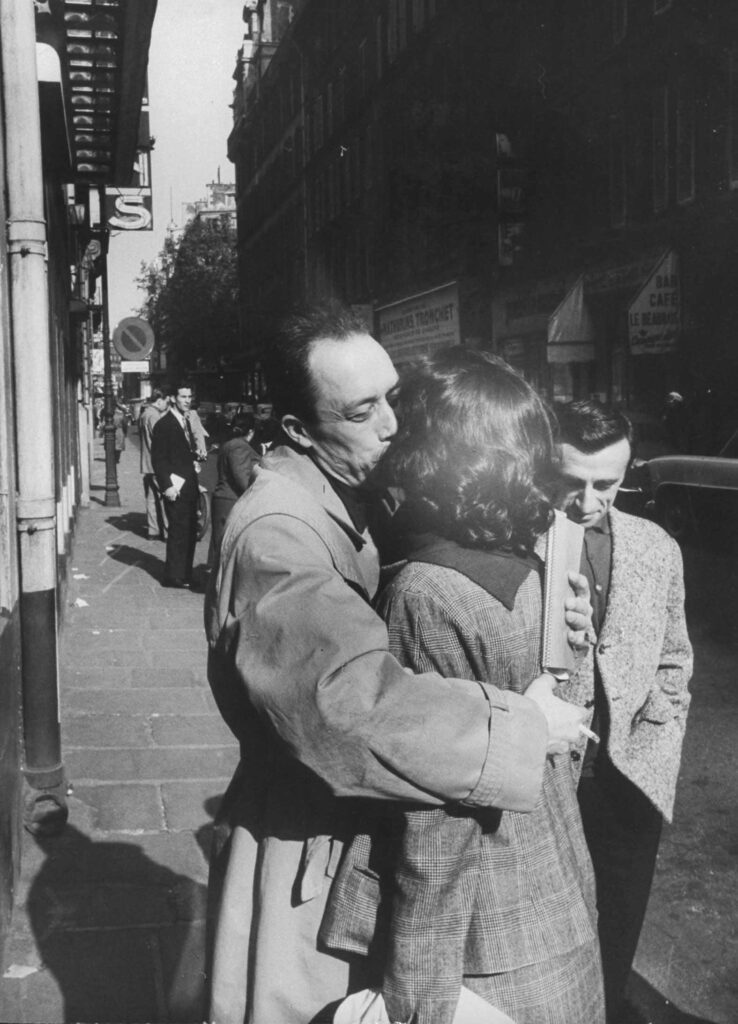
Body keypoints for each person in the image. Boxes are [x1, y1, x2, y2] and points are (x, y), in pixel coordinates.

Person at [204, 304, 593, 1024]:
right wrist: (519, 724)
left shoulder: (346, 496)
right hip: (307, 848)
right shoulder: (280, 533)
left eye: (394, 398)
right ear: (297, 429)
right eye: (361, 411)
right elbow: (348, 708)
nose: (392, 424)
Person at [321, 350, 602, 1024]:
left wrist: (417, 998)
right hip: (556, 914)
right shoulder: (533, 566)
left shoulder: (425, 591)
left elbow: (436, 826)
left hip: (482, 958)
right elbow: (570, 741)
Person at [553, 399, 693, 1023]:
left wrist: (657, 735)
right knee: (551, 941)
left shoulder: (657, 547)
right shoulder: (517, 545)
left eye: (606, 484)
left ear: (628, 471)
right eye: (570, 482)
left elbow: (675, 658)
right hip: (546, 781)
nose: (587, 500)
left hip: (629, 782)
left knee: (616, 939)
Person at [151, 381, 200, 589]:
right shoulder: (164, 424)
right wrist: (167, 486)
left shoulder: (185, 421)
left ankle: (185, 573)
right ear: (172, 398)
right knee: (178, 532)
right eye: (183, 397)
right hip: (175, 488)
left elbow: (180, 451)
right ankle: (173, 576)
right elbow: (159, 459)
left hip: (188, 486)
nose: (187, 401)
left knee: (189, 531)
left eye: (189, 397)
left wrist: (193, 460)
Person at [208, 410, 260, 561]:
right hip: (232, 501)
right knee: (228, 549)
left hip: (224, 499)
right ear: (250, 431)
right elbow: (242, 478)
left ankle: (215, 582)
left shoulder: (229, 444)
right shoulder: (240, 447)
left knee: (221, 546)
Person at [139, 388, 169, 540]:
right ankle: (167, 531)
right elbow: (160, 441)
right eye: (166, 402)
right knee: (166, 497)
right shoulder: (154, 416)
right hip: (157, 463)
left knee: (151, 498)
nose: (166, 405)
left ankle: (153, 530)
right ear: (159, 400)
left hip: (147, 464)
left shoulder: (144, 414)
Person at [112, 399, 128, 464]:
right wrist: (125, 432)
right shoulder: (121, 414)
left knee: (113, 445)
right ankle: (117, 459)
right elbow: (125, 424)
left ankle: (113, 458)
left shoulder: (111, 414)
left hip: (112, 431)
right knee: (119, 446)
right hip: (119, 430)